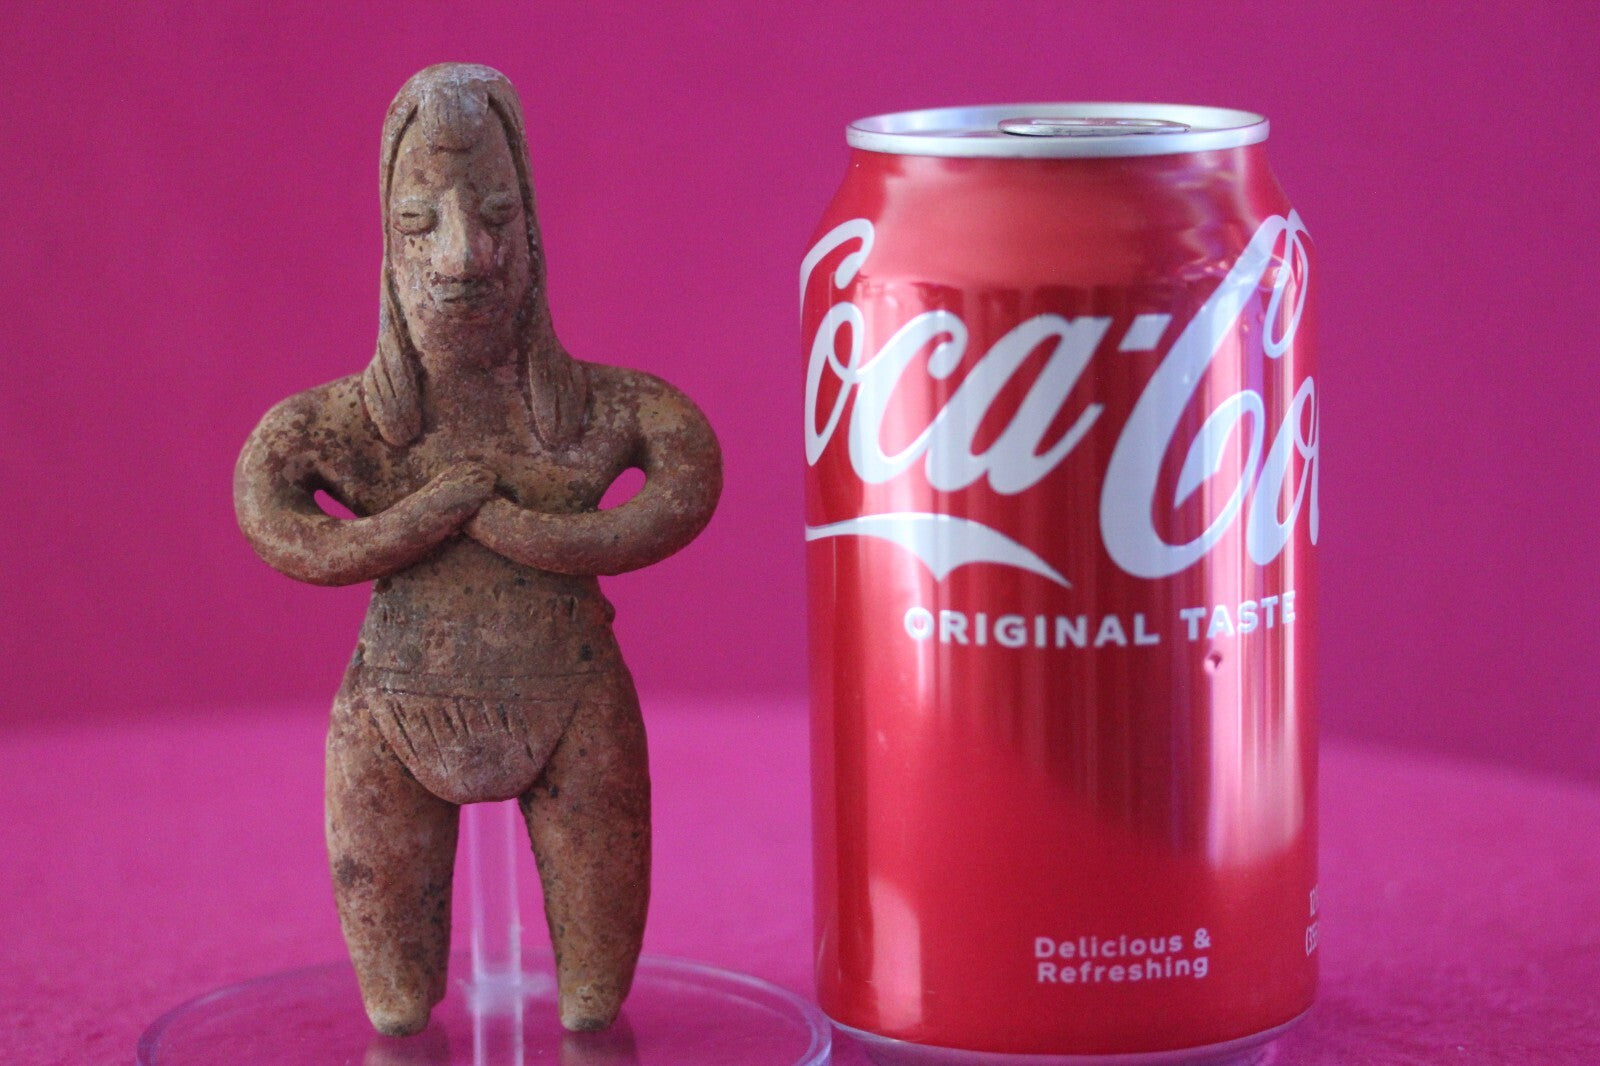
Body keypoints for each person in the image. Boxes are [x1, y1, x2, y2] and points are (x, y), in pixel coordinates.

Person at [234, 63, 721, 1037]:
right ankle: (406, 1000)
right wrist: (419, 520)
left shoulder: (598, 411)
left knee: (593, 998)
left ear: (532, 231)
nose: (465, 257)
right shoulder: (344, 425)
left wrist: (527, 532)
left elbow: (685, 476)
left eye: (496, 215)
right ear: (390, 244)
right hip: (391, 709)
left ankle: (585, 1004)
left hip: (572, 699)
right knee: (393, 1006)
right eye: (422, 224)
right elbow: (274, 511)